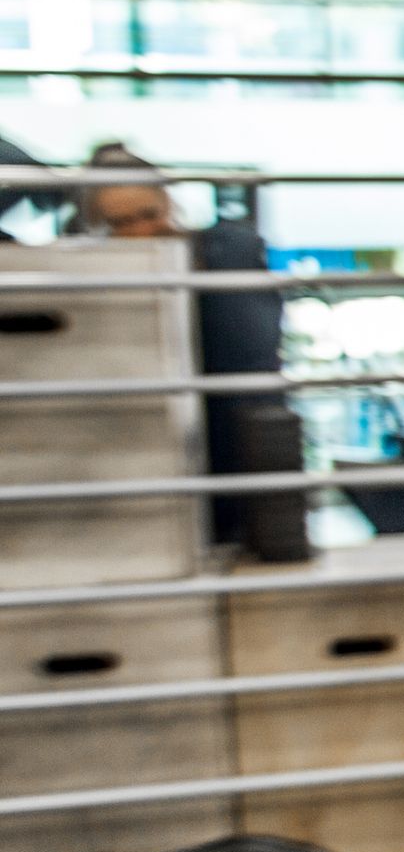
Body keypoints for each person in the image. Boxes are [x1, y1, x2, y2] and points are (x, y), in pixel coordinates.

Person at [77, 145, 301, 554]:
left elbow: (252, 362)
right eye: (123, 223)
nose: (143, 231)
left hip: (239, 462)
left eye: (149, 215)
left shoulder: (226, 255)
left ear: (169, 201)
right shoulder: (98, 288)